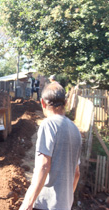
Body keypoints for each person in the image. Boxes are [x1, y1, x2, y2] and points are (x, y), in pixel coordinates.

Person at [19, 82, 82, 210]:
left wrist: (28, 204)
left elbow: (44, 165)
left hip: (45, 204)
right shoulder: (75, 130)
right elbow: (76, 173)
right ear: (65, 103)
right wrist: (66, 201)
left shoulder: (48, 125)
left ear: (42, 103)